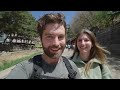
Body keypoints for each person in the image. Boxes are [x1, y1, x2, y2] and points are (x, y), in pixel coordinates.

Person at [5, 13, 81, 79]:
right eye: (49, 36)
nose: (56, 43)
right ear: (41, 39)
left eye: (60, 37)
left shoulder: (71, 67)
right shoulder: (26, 68)